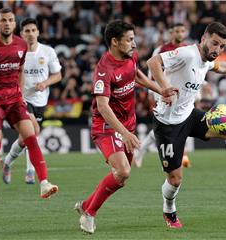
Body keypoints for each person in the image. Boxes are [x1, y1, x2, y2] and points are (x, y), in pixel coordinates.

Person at [147, 22, 226, 228]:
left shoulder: (207, 59)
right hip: (167, 123)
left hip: (189, 115)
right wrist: (165, 87)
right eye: (214, 43)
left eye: (222, 46)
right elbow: (153, 62)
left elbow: (219, 66)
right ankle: (169, 210)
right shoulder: (187, 54)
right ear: (204, 39)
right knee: (175, 180)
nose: (217, 50)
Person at [73, 20, 178, 234]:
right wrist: (125, 133)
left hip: (127, 123)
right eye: (129, 40)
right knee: (122, 171)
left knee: (121, 179)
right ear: (114, 41)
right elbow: (102, 107)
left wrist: (160, 90)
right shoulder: (104, 70)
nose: (134, 44)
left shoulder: (130, 55)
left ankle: (86, 205)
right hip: (107, 126)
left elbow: (136, 74)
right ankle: (89, 215)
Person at [0, 8, 58, 201]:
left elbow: (20, 70)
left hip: (14, 100)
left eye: (10, 20)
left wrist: (19, 93)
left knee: (31, 135)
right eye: (3, 20)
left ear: (14, 23)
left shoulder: (20, 45)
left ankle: (44, 183)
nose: (7, 23)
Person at [1, 18, 62, 185]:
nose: (30, 34)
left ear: (38, 32)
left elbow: (58, 75)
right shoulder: (15, 52)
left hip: (41, 101)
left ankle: (7, 162)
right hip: (21, 99)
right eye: (26, 31)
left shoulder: (48, 52)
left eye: (33, 30)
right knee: (33, 132)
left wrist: (45, 83)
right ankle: (30, 171)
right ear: (21, 34)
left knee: (24, 138)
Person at [134, 23, 191, 168]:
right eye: (177, 31)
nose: (180, 34)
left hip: (183, 93)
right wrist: (151, 92)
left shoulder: (188, 49)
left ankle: (177, 156)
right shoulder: (162, 49)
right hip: (164, 92)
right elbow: (151, 71)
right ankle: (145, 152)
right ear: (171, 33)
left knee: (178, 125)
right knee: (168, 126)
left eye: (182, 31)